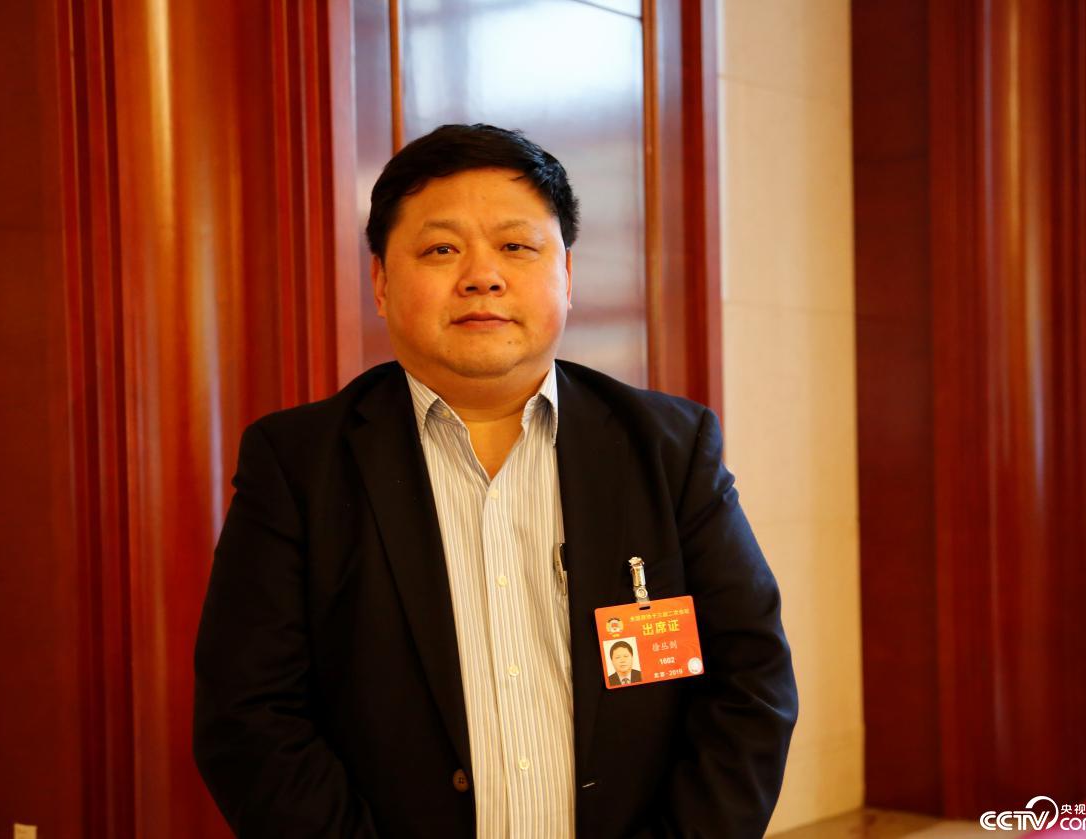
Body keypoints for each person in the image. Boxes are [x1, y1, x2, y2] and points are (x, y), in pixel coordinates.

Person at [193, 123, 797, 838]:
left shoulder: (669, 449)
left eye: (515, 247)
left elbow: (750, 682)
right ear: (381, 283)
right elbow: (250, 716)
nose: (482, 276)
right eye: (440, 249)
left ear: (566, 275)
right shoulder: (298, 464)